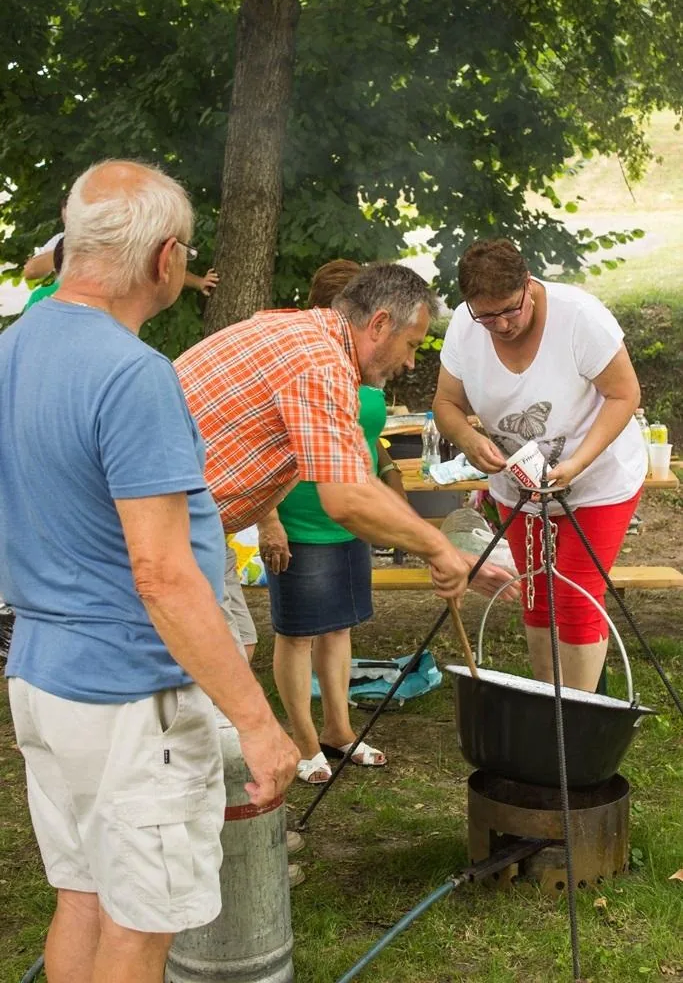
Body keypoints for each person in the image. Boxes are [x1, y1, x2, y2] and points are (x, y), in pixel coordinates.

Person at [0, 159, 298, 983]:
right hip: (130, 698)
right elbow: (162, 574)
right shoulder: (132, 374)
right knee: (136, 924)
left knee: (83, 897)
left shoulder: (12, 347)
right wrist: (258, 723)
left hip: (41, 679)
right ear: (166, 259)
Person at [175, 262, 519, 783]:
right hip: (161, 528)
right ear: (379, 323)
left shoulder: (298, 332)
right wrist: (441, 551)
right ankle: (189, 828)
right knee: (177, 698)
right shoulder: (319, 362)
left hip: (182, 521)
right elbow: (347, 498)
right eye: (410, 343)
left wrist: (438, 548)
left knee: (192, 688)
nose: (410, 362)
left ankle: (212, 826)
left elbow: (355, 475)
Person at [433, 238, 646, 692]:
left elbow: (625, 394)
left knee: (574, 596)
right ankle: (550, 718)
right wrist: (470, 440)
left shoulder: (578, 318)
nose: (502, 324)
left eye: (510, 310)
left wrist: (578, 463)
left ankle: (579, 722)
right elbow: (447, 403)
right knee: (537, 595)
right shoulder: (465, 329)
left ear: (528, 286)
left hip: (597, 479)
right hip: (520, 486)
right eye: (486, 316)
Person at [266, 260, 407, 783]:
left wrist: (386, 477)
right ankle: (303, 741)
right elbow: (268, 443)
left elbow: (368, 439)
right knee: (297, 633)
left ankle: (339, 730)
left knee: (339, 627)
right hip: (300, 516)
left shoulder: (361, 365)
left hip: (352, 514)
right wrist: (268, 521)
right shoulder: (306, 360)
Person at [22, 201, 220, 296]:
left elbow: (159, 264)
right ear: (63, 213)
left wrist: (199, 282)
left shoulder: (113, 238)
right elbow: (30, 272)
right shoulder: (59, 240)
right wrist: (69, 246)